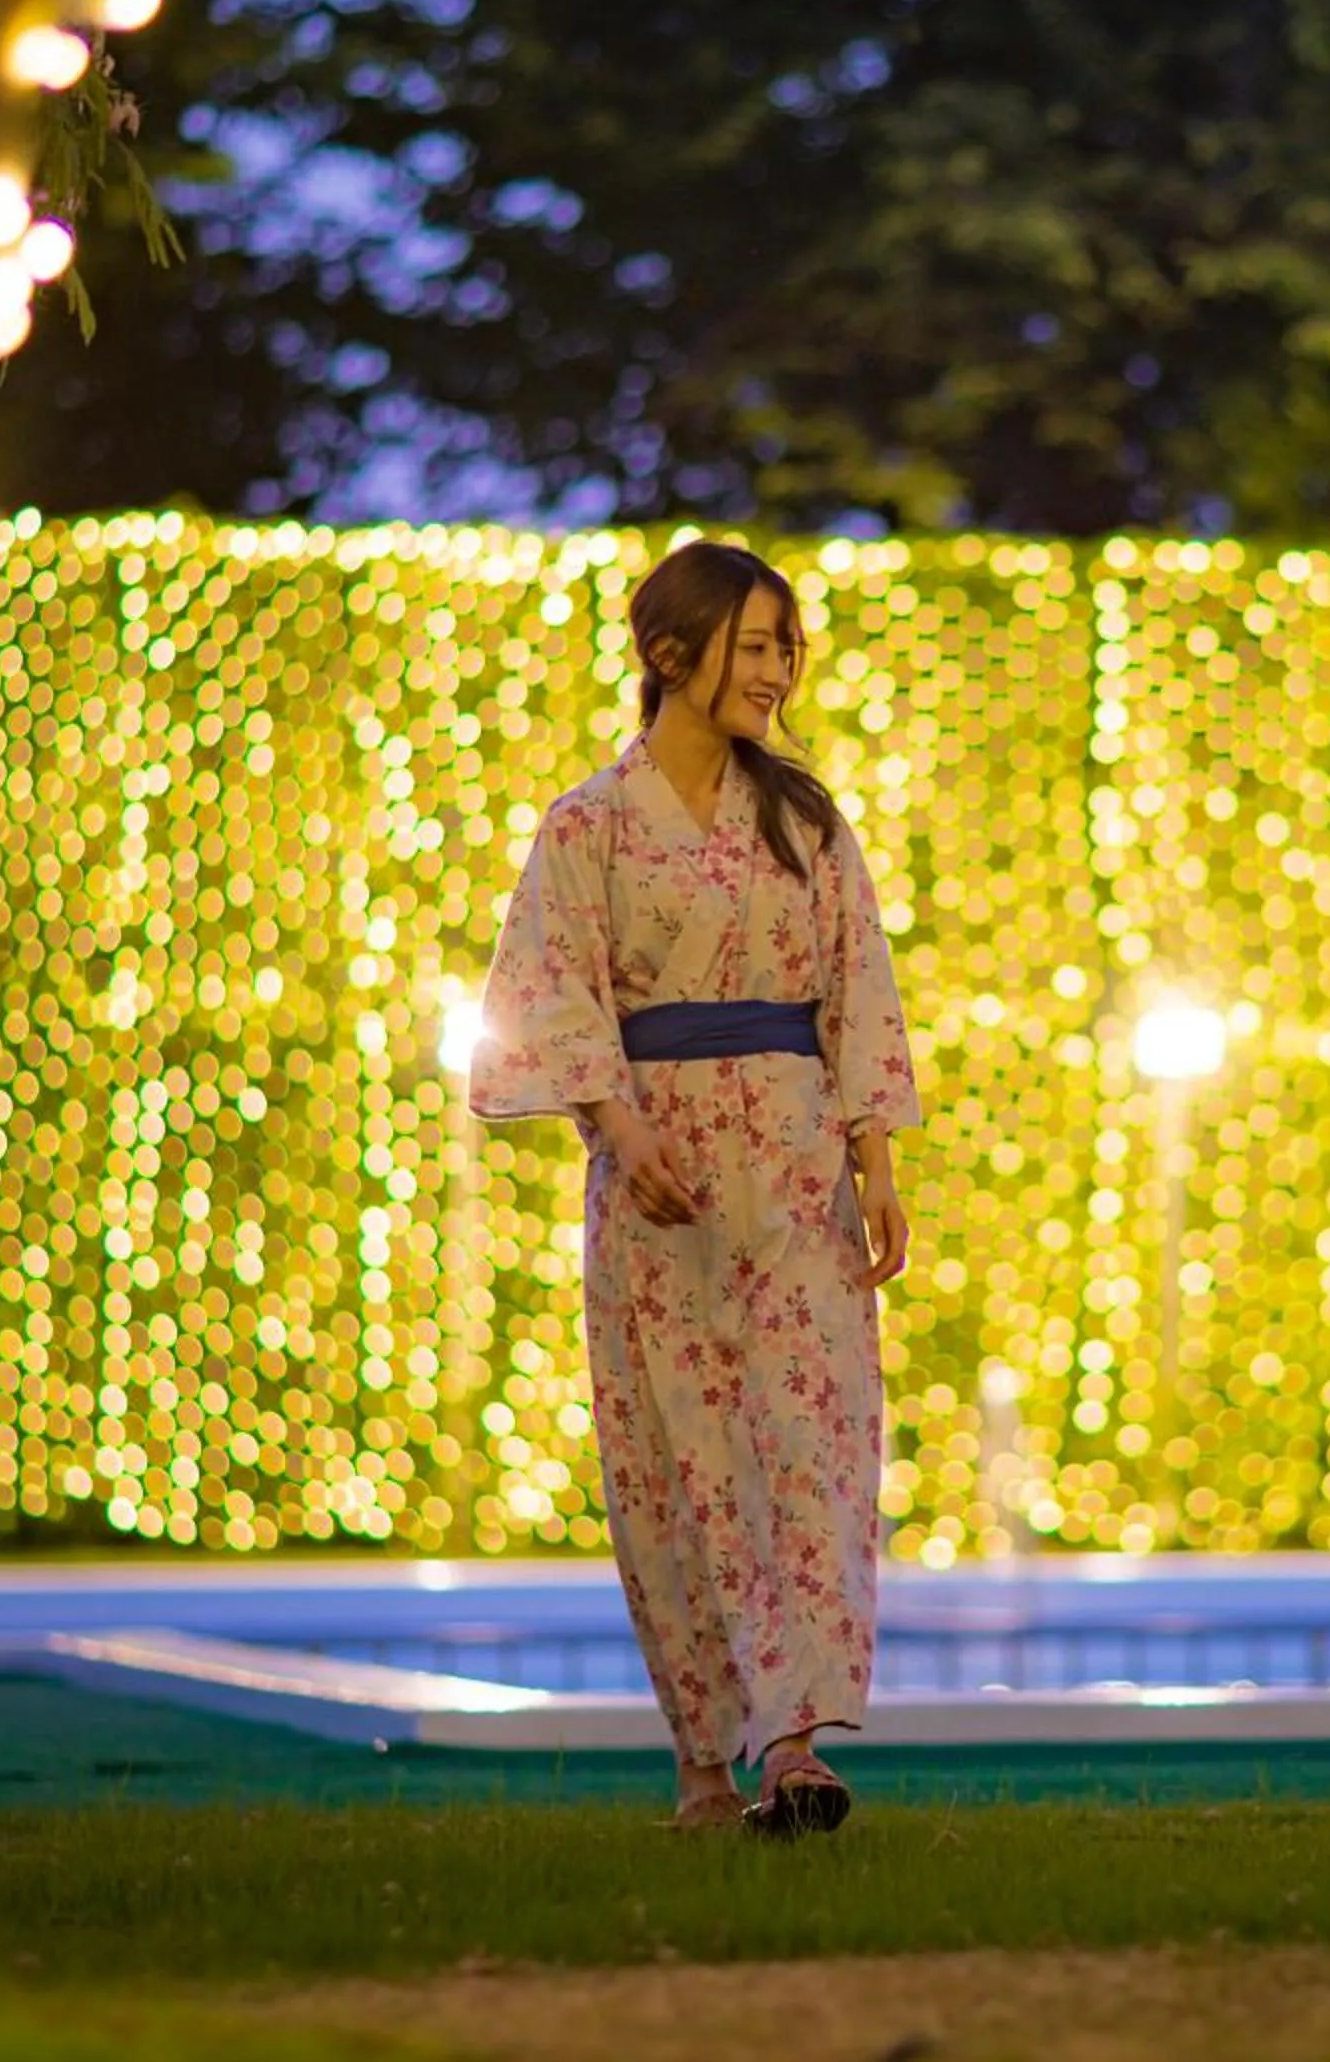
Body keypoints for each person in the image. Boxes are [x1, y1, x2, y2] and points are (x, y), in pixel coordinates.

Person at [467, 538, 920, 1838]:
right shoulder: (587, 825)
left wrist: (875, 1159)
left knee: (807, 1449)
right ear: (673, 653)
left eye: (787, 645)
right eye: (757, 642)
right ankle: (702, 1767)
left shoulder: (806, 820)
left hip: (794, 1178)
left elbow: (859, 985)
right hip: (656, 1179)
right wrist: (616, 1121)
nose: (780, 669)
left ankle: (793, 1746)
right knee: (676, 1458)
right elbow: (548, 991)